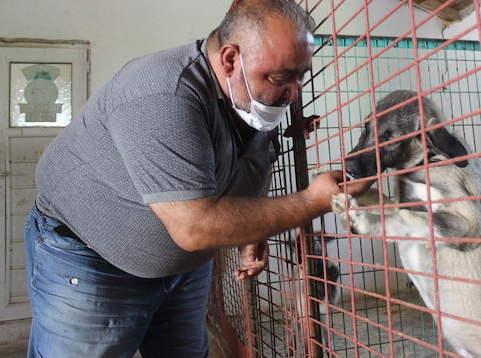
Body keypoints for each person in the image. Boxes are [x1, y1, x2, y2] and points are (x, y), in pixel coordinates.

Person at [24, 0, 372, 357]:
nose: (293, 92)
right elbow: (193, 227)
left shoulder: (250, 95)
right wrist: (315, 200)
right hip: (92, 261)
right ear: (230, 59)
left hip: (185, 268)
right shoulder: (163, 94)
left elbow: (246, 160)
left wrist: (252, 228)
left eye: (300, 76)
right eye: (281, 78)